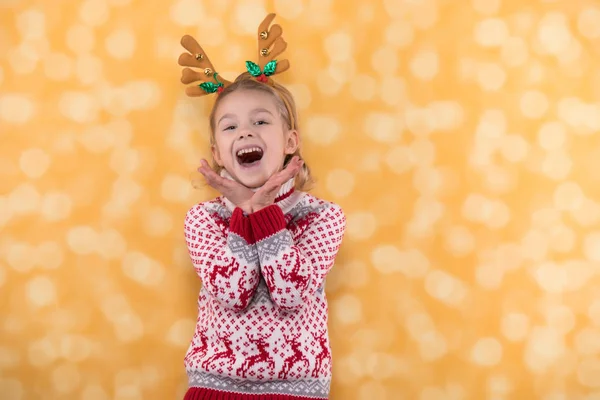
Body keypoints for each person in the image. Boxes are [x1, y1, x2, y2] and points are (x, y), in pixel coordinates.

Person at [177, 14, 346, 400]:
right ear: (218, 153)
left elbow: (289, 292)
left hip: (295, 391)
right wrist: (243, 212)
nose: (246, 132)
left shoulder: (322, 217)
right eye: (230, 126)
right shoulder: (203, 219)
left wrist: (262, 212)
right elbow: (233, 291)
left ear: (290, 141)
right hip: (214, 388)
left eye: (260, 121)